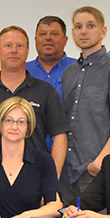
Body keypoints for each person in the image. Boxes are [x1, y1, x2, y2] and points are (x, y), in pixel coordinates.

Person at [60, 6, 110, 218]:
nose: (84, 31)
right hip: (68, 168)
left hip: (96, 169)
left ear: (103, 31)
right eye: (78, 26)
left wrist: (101, 161)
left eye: (90, 25)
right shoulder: (69, 73)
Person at [0, 25, 69, 179]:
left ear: (28, 50)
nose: (14, 50)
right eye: (8, 45)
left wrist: (51, 181)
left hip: (35, 180)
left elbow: (60, 137)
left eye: (20, 46)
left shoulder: (46, 91)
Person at [26, 16, 77, 153]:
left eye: (54, 34)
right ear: (35, 39)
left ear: (66, 40)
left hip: (71, 153)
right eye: (42, 34)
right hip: (29, 153)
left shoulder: (78, 69)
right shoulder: (22, 71)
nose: (48, 38)